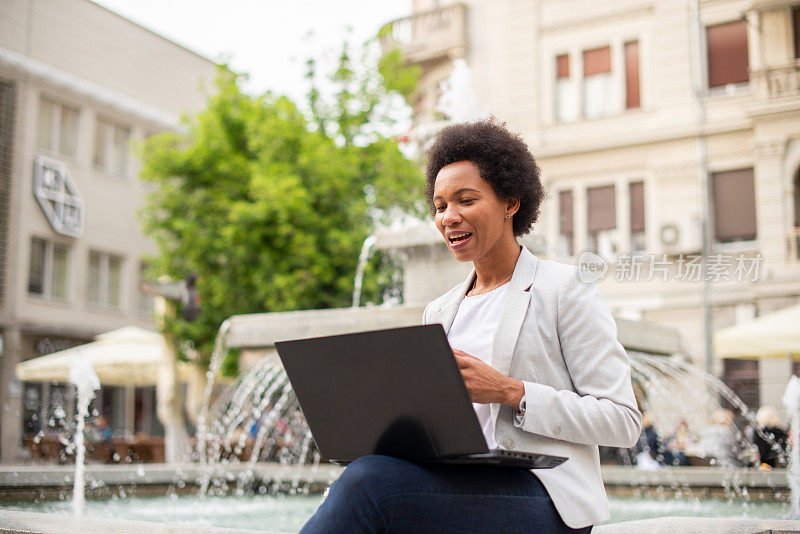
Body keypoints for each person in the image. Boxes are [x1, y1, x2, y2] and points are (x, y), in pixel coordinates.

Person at [299, 119, 642, 533]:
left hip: (545, 498)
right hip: (460, 484)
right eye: (440, 206)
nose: (449, 217)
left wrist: (511, 392)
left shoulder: (565, 289)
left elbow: (622, 421)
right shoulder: (440, 311)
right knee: (367, 472)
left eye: (465, 200)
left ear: (510, 202)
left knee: (371, 486)